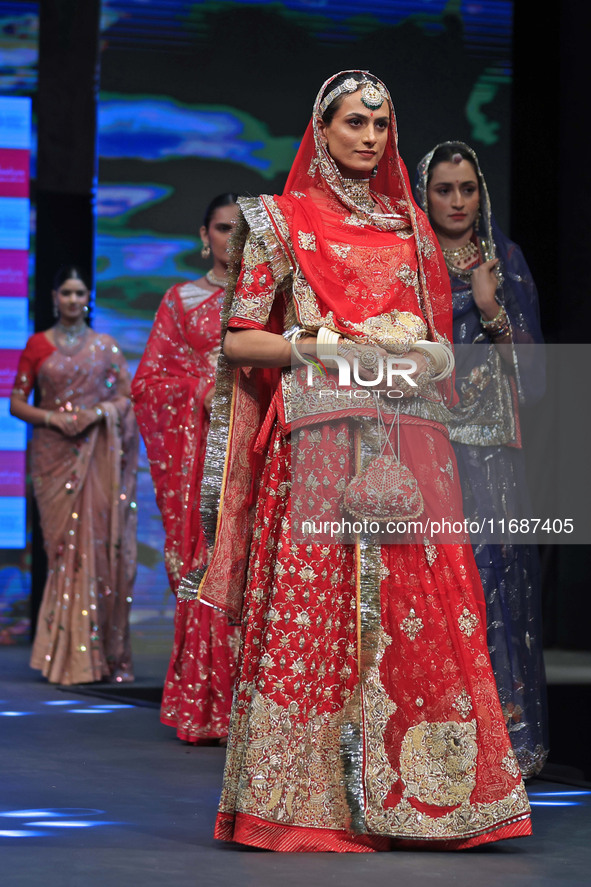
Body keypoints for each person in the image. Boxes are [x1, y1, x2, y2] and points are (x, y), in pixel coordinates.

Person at [185, 72, 531, 851]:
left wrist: (422, 354)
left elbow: (441, 349)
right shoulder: (279, 221)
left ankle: (425, 799)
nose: (370, 137)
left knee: (422, 616)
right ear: (322, 128)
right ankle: (301, 804)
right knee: (316, 626)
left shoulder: (411, 226)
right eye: (353, 122)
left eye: (380, 123)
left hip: (409, 447)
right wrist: (325, 345)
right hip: (316, 445)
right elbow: (239, 339)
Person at [415, 141, 549, 778]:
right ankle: (440, 740)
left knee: (495, 585)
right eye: (445, 189)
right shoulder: (408, 262)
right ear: (425, 193)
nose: (458, 201)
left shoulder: (507, 260)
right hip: (426, 449)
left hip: (492, 456)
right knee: (438, 591)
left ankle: (502, 744)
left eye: (468, 188)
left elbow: (540, 379)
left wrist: (492, 310)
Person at [131, 194, 240, 743]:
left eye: (243, 230)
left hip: (258, 449)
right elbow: (147, 383)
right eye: (223, 228)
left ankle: (256, 711)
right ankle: (207, 705)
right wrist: (198, 388)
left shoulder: (272, 303)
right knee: (206, 561)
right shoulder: (182, 300)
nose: (232, 238)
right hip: (200, 457)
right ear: (205, 235)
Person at [10, 265, 138, 685]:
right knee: (63, 550)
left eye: (79, 292)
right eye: (65, 292)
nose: (72, 299)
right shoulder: (36, 344)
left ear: (89, 298)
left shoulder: (106, 346)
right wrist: (52, 418)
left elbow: (125, 397)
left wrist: (96, 414)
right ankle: (60, 655)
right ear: (53, 297)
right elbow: (15, 402)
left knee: (96, 549)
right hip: (52, 455)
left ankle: (93, 655)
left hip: (95, 455)